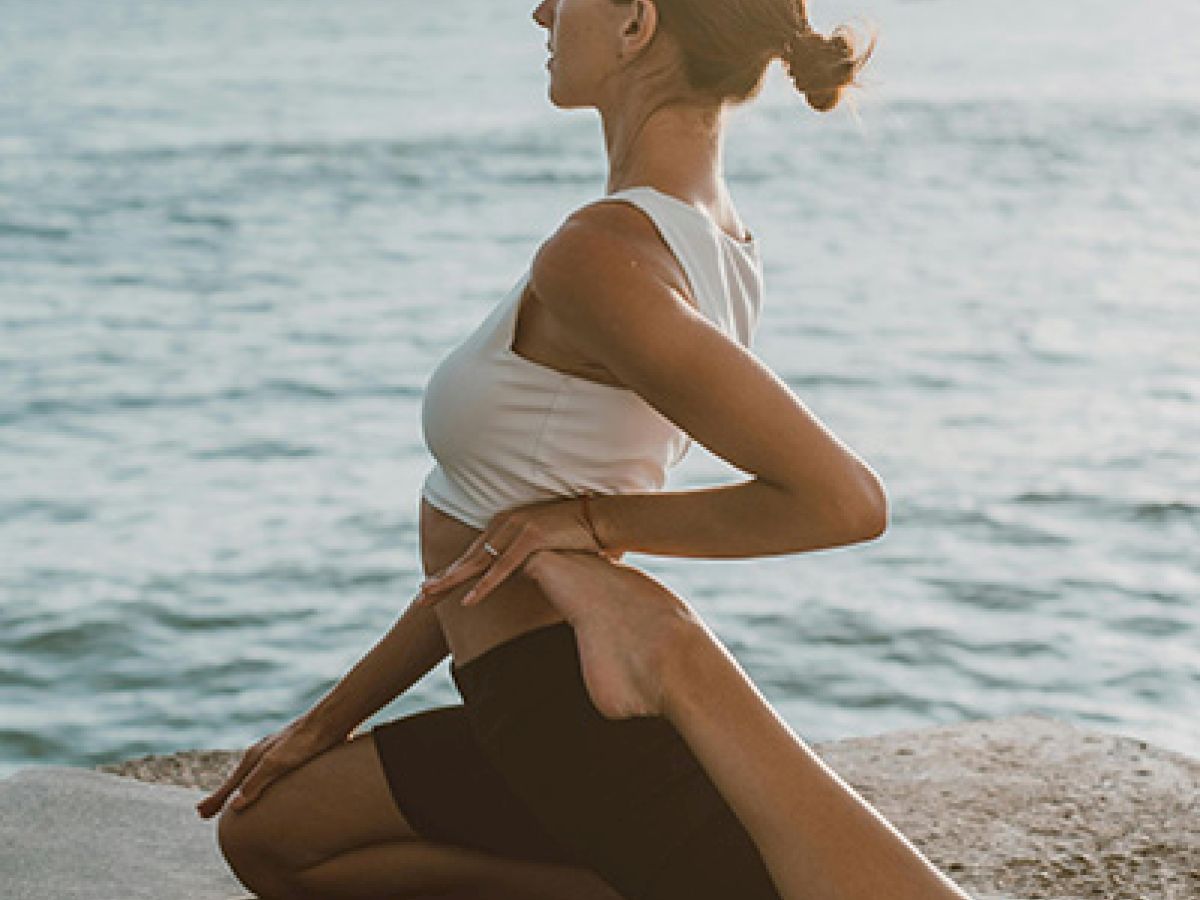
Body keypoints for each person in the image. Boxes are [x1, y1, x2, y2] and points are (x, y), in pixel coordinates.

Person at [198, 1, 972, 898]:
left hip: (564, 711)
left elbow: (844, 501)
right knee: (266, 830)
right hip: (514, 696)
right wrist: (328, 717)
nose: (539, 11)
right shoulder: (715, 239)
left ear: (638, 22)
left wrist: (595, 519)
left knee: (279, 846)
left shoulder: (601, 256)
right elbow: (499, 540)